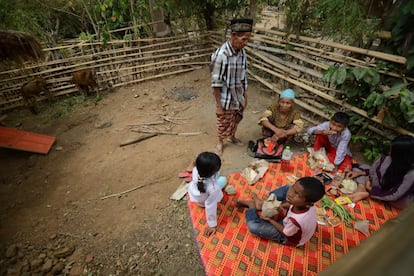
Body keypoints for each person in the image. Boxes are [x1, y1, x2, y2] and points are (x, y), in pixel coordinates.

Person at [236, 177, 325, 247]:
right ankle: (264, 203)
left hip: (287, 235)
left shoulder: (297, 220)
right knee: (287, 187)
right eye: (293, 188)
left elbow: (286, 232)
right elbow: (292, 203)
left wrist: (270, 220)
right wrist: (281, 206)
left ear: (308, 204)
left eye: (297, 194)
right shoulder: (306, 204)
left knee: (254, 227)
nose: (290, 194)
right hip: (289, 221)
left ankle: (252, 206)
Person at [211, 18, 253, 155]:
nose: (245, 43)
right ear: (233, 36)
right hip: (225, 98)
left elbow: (243, 75)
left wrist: (245, 95)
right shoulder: (221, 55)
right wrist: (218, 105)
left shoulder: (242, 52)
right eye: (244, 39)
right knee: (223, 121)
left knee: (236, 118)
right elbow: (216, 83)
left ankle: (232, 136)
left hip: (238, 95)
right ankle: (220, 142)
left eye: (247, 40)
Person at [346, 135, 414, 209]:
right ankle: (361, 188)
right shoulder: (386, 159)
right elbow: (372, 171)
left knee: (402, 202)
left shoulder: (411, 174)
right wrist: (360, 174)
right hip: (379, 186)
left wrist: (371, 189)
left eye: (392, 150)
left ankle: (362, 188)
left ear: (401, 154)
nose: (389, 151)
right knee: (364, 167)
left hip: (394, 198)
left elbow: (395, 195)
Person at [187, 152, 224, 236]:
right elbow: (210, 205)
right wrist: (212, 225)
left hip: (197, 197)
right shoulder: (214, 188)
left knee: (218, 177)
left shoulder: (196, 170)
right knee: (223, 179)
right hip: (203, 203)